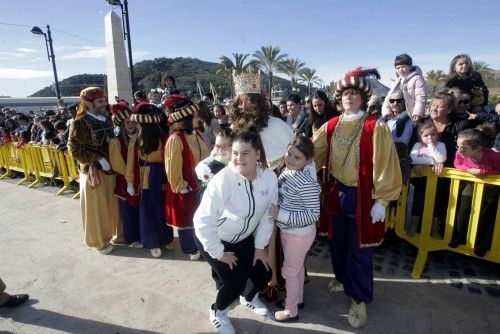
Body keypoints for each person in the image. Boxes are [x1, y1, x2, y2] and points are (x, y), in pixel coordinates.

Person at [313, 69, 402, 328]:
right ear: (338, 99)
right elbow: (311, 153)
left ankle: (359, 298)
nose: (349, 97)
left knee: (361, 250)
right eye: (344, 93)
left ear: (363, 98)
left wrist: (382, 200)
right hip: (334, 193)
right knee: (337, 243)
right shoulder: (330, 125)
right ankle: (342, 279)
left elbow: (386, 164)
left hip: (363, 196)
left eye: (354, 93)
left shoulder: (377, 127)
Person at [193, 130, 278, 334]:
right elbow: (202, 220)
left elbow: (268, 215)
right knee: (235, 281)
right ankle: (218, 311)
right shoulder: (223, 179)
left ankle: (248, 298)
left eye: (245, 153)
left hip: (243, 238)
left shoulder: (269, 178)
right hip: (213, 237)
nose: (239, 159)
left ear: (258, 154)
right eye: (236, 153)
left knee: (263, 272)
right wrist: (218, 252)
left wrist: (259, 248)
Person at [228, 66, 294, 300]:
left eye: (248, 102)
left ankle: (272, 279)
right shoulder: (236, 128)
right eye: (240, 103)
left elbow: (296, 155)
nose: (243, 107)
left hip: (274, 185)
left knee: (271, 234)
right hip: (241, 187)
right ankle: (248, 278)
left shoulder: (278, 125)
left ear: (258, 102)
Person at [269, 135, 321, 322]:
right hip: (289, 231)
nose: (290, 159)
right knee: (296, 269)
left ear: (307, 160)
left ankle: (291, 311)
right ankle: (297, 300)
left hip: (299, 234)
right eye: (289, 153)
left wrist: (280, 215)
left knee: (289, 271)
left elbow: (313, 214)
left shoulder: (307, 182)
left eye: (296, 157)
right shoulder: (288, 171)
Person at [68, 87, 119, 255]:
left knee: (111, 205)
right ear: (88, 104)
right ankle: (98, 241)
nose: (104, 104)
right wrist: (98, 159)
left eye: (104, 100)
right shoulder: (80, 122)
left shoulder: (107, 118)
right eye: (100, 101)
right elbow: (74, 150)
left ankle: (113, 234)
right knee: (96, 208)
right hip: (93, 171)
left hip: (110, 169)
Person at [164, 95, 209, 260]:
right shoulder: (175, 139)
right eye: (195, 115)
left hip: (200, 184)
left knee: (199, 217)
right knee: (186, 219)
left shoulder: (197, 134)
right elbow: (172, 168)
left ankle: (200, 245)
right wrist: (181, 186)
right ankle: (190, 249)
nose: (198, 118)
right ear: (186, 118)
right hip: (185, 187)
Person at [128, 102, 174, 258]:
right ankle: (151, 241)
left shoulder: (164, 137)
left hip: (161, 174)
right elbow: (131, 163)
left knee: (162, 208)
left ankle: (166, 238)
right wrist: (129, 181)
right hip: (145, 176)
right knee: (147, 210)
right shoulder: (136, 139)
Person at [449, 128, 500, 256]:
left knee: (485, 214)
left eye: (463, 148)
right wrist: (469, 169)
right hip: (470, 184)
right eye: (458, 146)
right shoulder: (459, 154)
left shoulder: (494, 156)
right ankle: (459, 237)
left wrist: (483, 172)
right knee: (463, 210)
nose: (459, 150)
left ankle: (482, 244)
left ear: (477, 149)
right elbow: (457, 164)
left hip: (491, 186)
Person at [108, 102, 142, 248]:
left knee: (139, 209)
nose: (131, 125)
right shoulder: (117, 142)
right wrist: (130, 177)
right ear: (122, 124)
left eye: (133, 122)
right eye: (127, 122)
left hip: (140, 179)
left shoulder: (140, 138)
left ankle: (141, 234)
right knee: (128, 211)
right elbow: (117, 165)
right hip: (125, 182)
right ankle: (131, 238)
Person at [408, 122, 447, 237]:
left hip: (436, 179)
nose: (430, 137)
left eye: (433, 134)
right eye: (426, 135)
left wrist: (431, 146)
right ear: (421, 137)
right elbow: (413, 159)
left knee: (437, 202)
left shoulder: (440, 145)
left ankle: (434, 228)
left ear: (437, 135)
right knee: (418, 201)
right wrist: (431, 162)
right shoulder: (417, 145)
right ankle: (414, 224)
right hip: (421, 180)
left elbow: (441, 158)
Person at [382, 54, 427, 122]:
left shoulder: (417, 79)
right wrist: (387, 112)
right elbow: (388, 97)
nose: (400, 70)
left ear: (410, 66)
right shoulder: (397, 81)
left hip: (411, 111)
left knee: (400, 121)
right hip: (397, 109)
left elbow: (421, 97)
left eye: (403, 67)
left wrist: (417, 113)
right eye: (398, 68)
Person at [195, 127, 233, 198]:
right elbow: (202, 194)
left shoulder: (239, 165)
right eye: (217, 146)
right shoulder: (213, 167)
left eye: (224, 146)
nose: (220, 150)